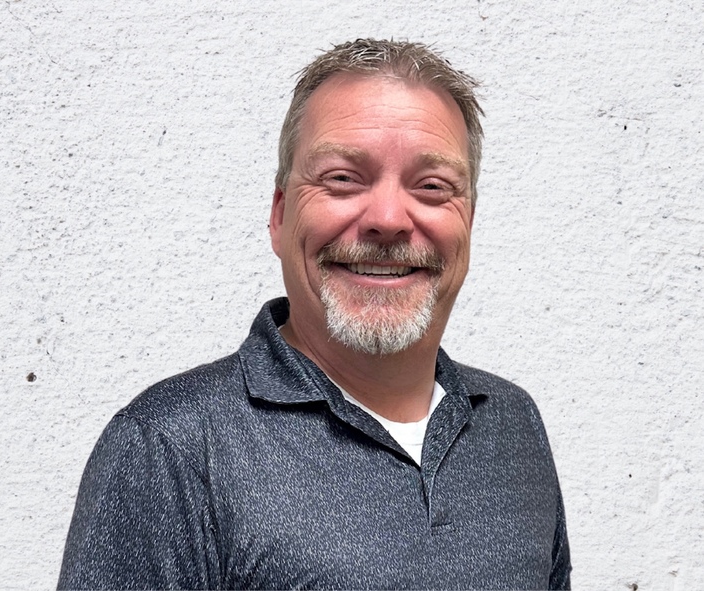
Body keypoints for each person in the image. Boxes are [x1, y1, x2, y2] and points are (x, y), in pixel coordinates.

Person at [58, 39, 571, 590]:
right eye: (343, 178)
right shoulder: (169, 447)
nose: (388, 218)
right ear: (280, 216)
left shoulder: (513, 425)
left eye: (432, 187)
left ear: (467, 219)